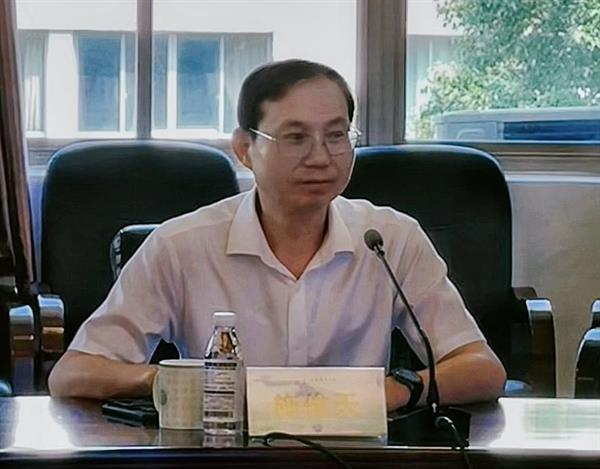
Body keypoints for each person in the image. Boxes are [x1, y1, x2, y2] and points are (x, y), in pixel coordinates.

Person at [48, 59, 506, 410]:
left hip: (355, 453)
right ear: (245, 149)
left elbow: (481, 369)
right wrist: (175, 382)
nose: (320, 157)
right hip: (224, 452)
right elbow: (73, 374)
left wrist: (391, 393)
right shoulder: (180, 246)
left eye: (336, 136)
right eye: (295, 137)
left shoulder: (389, 239)